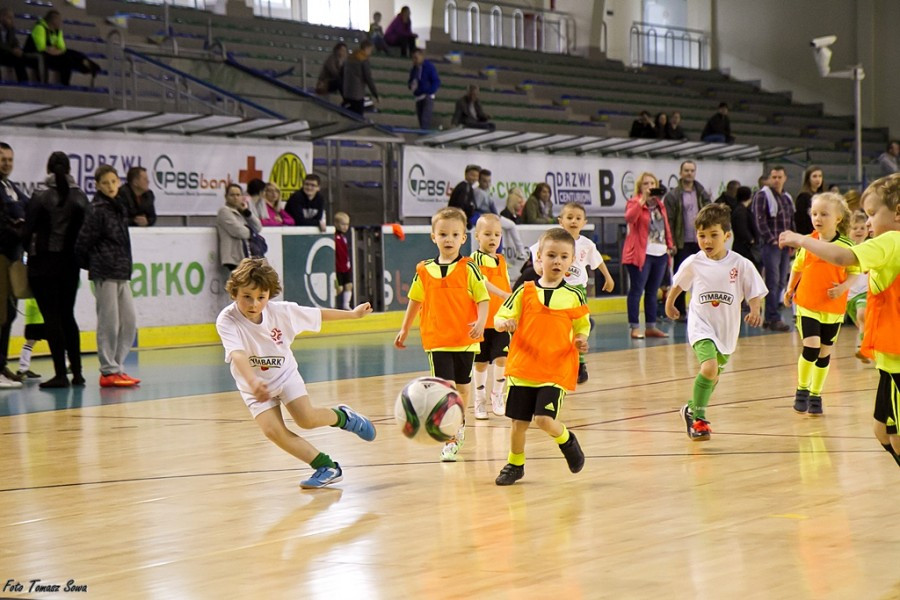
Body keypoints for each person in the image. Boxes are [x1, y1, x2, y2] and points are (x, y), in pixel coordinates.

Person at [216, 258, 377, 489]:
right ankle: (326, 467)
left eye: (261, 297)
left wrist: (353, 315)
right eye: (247, 297)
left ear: (269, 295)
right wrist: (253, 382)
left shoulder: (281, 312)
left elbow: (317, 315)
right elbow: (238, 354)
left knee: (307, 420)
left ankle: (345, 417)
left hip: (284, 375)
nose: (254, 304)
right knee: (273, 431)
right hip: (253, 385)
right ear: (234, 293)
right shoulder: (227, 320)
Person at [778, 174, 900, 469]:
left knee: (896, 437)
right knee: (882, 432)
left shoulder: (891, 240)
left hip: (897, 360)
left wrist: (801, 239)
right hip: (888, 360)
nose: (868, 223)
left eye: (872, 214)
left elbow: (844, 257)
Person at [493, 227, 589, 485]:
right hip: (523, 368)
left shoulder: (574, 295)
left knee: (544, 419)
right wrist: (503, 324)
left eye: (564, 257)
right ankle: (515, 464)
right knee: (518, 423)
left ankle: (567, 440)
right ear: (539, 257)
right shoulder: (524, 292)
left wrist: (581, 339)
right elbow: (501, 316)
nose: (557, 261)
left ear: (572, 260)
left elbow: (582, 325)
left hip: (555, 369)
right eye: (551, 255)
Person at [394, 207, 489, 462]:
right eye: (443, 234)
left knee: (463, 388)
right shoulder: (424, 270)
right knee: (446, 389)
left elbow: (483, 299)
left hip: (465, 339)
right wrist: (405, 328)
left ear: (463, 238)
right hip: (437, 340)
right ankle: (451, 436)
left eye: (455, 234)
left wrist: (481, 322)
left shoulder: (469, 268)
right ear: (433, 237)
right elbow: (415, 300)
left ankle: (460, 423)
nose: (449, 239)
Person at [665, 203, 767, 440]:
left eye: (713, 235)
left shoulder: (740, 264)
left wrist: (754, 309)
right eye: (702, 236)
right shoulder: (694, 262)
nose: (707, 241)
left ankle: (690, 409)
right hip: (701, 325)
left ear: (727, 236)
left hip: (726, 330)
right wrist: (670, 303)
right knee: (709, 368)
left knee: (713, 375)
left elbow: (754, 291)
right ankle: (698, 420)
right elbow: (678, 284)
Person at [782, 192, 857, 416]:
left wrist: (843, 287)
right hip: (807, 304)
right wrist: (790, 288)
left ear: (838, 219)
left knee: (824, 353)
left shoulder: (846, 245)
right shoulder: (808, 242)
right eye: (814, 213)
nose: (818, 218)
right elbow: (797, 268)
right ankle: (802, 389)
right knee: (811, 347)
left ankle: (816, 394)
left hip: (833, 309)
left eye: (824, 214)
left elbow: (854, 272)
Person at [24, 151, 88, 388]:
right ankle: (78, 373)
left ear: (48, 169)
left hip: (43, 264)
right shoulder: (80, 196)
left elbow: (28, 230)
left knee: (51, 318)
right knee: (68, 316)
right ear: (69, 169)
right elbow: (86, 230)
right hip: (69, 264)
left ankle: (60, 373)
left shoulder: (40, 195)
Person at [530, 201, 614, 382]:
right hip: (557, 290)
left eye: (578, 218)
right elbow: (536, 253)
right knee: (554, 326)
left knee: (579, 327)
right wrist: (538, 267)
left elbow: (598, 261)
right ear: (561, 221)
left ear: (584, 222)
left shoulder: (587, 244)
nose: (574, 221)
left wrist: (608, 277)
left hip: (578, 291)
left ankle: (579, 363)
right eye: (569, 217)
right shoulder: (552, 239)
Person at [75, 165, 140, 388]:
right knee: (108, 322)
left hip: (121, 271)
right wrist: (96, 264)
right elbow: (83, 242)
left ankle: (117, 366)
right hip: (105, 272)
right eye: (105, 183)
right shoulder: (96, 209)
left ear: (119, 182)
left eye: (113, 181)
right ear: (97, 185)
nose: (111, 186)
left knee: (129, 321)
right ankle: (108, 370)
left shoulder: (119, 206)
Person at [623, 172, 673, 339]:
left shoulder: (660, 205)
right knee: (637, 290)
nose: (650, 186)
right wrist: (642, 200)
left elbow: (666, 226)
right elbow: (630, 218)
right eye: (646, 184)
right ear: (640, 187)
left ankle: (651, 326)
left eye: (652, 183)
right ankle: (634, 327)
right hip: (640, 254)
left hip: (660, 253)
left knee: (652, 292)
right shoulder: (634, 202)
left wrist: (670, 245)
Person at [471, 214, 512, 419]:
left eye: (497, 234)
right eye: (487, 234)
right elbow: (482, 282)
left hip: (501, 320)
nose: (493, 238)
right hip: (482, 319)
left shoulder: (501, 260)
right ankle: (479, 399)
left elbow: (507, 285)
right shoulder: (475, 259)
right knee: (481, 363)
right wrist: (502, 294)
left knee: (502, 358)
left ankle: (497, 394)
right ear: (477, 236)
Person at [664, 160, 712, 318]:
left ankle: (704, 310)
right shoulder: (673, 195)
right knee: (681, 276)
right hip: (682, 242)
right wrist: (671, 242)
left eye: (692, 170)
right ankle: (679, 311)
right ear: (680, 173)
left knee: (704, 276)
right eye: (686, 170)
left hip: (701, 242)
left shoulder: (702, 193)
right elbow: (669, 220)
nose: (689, 173)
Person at [0, 141, 28, 388]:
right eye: (2, 159)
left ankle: (2, 364)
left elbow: (28, 208)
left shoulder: (11, 187)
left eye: (9, 159)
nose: (6, 163)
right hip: (1, 257)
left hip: (13, 259)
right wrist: (18, 225)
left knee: (9, 315)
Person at [751, 166, 794, 331]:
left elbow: (790, 220)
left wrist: (792, 240)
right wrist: (772, 239)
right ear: (769, 178)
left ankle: (771, 316)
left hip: (785, 245)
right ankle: (772, 317)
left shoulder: (786, 197)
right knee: (772, 281)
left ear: (785, 178)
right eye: (774, 177)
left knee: (782, 281)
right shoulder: (762, 195)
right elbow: (759, 220)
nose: (776, 180)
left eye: (779, 177)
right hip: (771, 245)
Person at [23, 10, 99, 86]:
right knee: (61, 55)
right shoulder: (40, 28)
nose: (60, 22)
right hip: (33, 55)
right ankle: (84, 63)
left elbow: (62, 48)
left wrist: (55, 50)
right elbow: (42, 48)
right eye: (59, 20)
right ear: (53, 20)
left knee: (69, 55)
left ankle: (83, 65)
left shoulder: (58, 31)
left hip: (50, 54)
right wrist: (56, 50)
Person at [475, 170, 527, 259]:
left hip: (492, 215)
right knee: (511, 225)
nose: (487, 184)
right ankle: (521, 252)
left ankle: (516, 252)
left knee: (506, 227)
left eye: (489, 181)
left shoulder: (486, 191)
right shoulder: (478, 192)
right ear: (479, 181)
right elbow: (477, 207)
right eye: (484, 181)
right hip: (486, 217)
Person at [216, 183, 263, 272]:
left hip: (247, 255)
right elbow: (238, 231)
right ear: (226, 197)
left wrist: (247, 212)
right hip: (234, 257)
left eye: (238, 195)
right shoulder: (224, 211)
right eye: (232, 195)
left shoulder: (242, 212)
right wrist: (253, 233)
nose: (235, 197)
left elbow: (258, 227)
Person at [846, 210, 870, 362]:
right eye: (855, 228)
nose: (859, 231)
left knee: (862, 316)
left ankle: (864, 349)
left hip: (866, 291)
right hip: (849, 296)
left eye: (862, 228)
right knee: (862, 324)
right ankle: (871, 348)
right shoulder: (845, 250)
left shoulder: (870, 246)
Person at [341, 40, 378, 117]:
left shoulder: (349, 58)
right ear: (367, 48)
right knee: (358, 117)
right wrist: (375, 94)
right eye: (370, 50)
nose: (370, 53)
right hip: (357, 94)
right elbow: (368, 78)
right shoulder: (363, 60)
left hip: (347, 92)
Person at [408, 48, 440, 130]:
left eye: (416, 57)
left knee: (425, 120)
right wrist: (411, 86)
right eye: (413, 58)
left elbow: (436, 81)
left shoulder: (429, 67)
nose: (414, 60)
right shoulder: (414, 70)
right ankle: (422, 135)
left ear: (421, 56)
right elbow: (410, 81)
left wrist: (429, 91)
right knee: (421, 120)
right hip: (418, 97)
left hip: (427, 96)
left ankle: (424, 136)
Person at [728, 186, 760, 268]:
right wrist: (751, 239)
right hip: (744, 247)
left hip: (741, 246)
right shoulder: (741, 211)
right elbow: (742, 228)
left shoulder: (738, 209)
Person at [15, 298, 45, 379]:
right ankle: (65, 365)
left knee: (30, 342)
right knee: (59, 341)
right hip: (41, 318)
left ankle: (23, 369)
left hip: (32, 319)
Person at [794, 166, 825, 235]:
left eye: (820, 176)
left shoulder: (822, 196)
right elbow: (800, 221)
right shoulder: (803, 197)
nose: (818, 179)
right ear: (808, 179)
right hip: (808, 234)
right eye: (814, 176)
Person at [0, 8, 27, 82]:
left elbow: (15, 41)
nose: (12, 21)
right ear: (1, 17)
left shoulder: (11, 29)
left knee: (21, 57)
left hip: (6, 54)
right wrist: (12, 50)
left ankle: (24, 82)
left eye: (12, 18)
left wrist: (17, 49)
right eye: (9, 18)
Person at [334, 211, 352, 310]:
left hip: (345, 267)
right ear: (336, 224)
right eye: (343, 224)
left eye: (347, 224)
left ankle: (346, 305)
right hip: (338, 268)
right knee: (339, 288)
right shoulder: (334, 237)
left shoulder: (343, 237)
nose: (345, 227)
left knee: (349, 285)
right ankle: (331, 304)